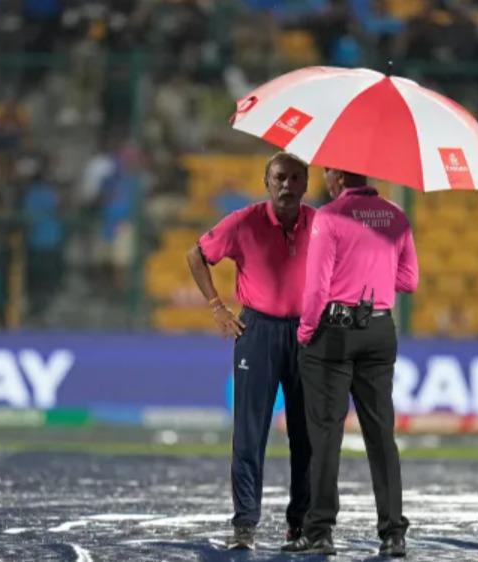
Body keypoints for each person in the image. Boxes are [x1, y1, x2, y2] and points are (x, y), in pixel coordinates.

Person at [282, 168, 418, 557]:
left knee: (325, 434)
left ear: (339, 177)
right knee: (381, 437)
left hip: (334, 334)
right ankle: (393, 533)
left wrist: (306, 333)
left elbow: (317, 288)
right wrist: (372, 272)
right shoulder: (396, 216)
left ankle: (320, 530)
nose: (325, 179)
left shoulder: (329, 217)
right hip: (379, 329)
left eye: (327, 172)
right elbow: (409, 280)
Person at [185, 151, 314, 550]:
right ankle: (245, 524)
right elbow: (196, 255)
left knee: (306, 436)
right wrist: (216, 307)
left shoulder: (321, 224)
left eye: (295, 178)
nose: (287, 186)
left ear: (306, 184)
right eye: (279, 177)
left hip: (306, 333)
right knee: (249, 434)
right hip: (257, 330)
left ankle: (302, 523)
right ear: (266, 181)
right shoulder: (244, 221)